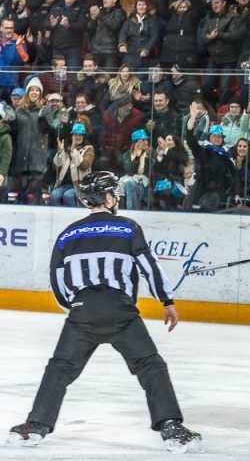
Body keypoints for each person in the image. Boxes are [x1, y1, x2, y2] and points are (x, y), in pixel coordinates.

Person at [6, 171, 202, 452]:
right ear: (108, 197)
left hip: (82, 311)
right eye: (115, 193)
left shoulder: (68, 234)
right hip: (121, 311)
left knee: (59, 368)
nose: (117, 197)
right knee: (150, 366)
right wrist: (166, 300)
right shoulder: (128, 227)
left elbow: (57, 279)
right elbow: (149, 266)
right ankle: (171, 427)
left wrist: (75, 308)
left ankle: (35, 425)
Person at [118, 0, 159, 69]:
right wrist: (122, 44)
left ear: (147, 6)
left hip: (145, 56)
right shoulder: (130, 20)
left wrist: (146, 50)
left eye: (143, 5)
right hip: (130, 54)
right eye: (139, 4)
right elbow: (123, 32)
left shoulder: (152, 20)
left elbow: (154, 37)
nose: (141, 7)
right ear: (136, 7)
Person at [119, 129, 153, 210]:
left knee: (130, 184)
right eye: (143, 140)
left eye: (147, 140)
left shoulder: (151, 153)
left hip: (144, 186)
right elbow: (130, 172)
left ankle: (131, 212)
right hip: (129, 184)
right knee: (129, 183)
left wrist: (148, 158)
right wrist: (137, 157)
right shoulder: (127, 155)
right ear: (136, 143)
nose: (147, 143)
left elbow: (149, 173)